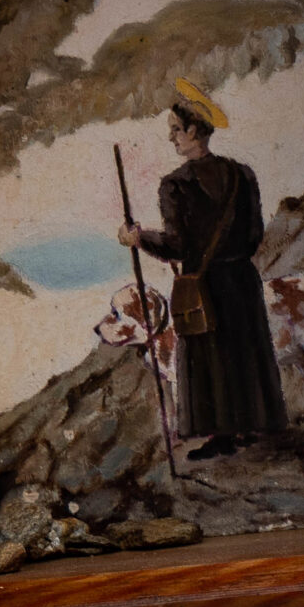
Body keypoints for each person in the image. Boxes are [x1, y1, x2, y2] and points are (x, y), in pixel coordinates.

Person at [116, 82, 286, 458]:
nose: (172, 138)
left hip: (205, 284)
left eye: (176, 129)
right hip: (241, 279)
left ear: (194, 131)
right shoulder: (243, 175)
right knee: (244, 348)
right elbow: (254, 234)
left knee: (210, 354)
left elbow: (177, 246)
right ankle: (249, 425)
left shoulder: (175, 185)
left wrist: (138, 238)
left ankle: (221, 436)